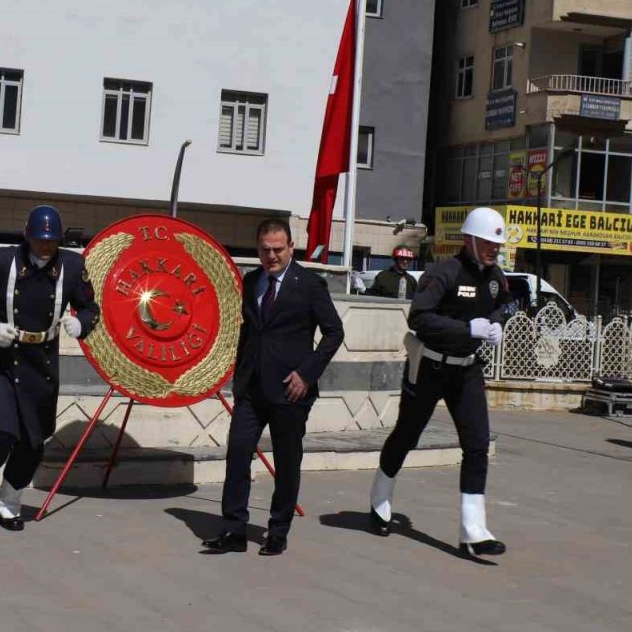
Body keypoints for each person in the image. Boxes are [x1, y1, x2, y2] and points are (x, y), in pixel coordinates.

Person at [369, 206, 510, 560]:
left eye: (497, 244)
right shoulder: (443, 273)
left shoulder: (497, 277)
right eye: (487, 242)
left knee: (477, 445)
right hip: (429, 367)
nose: (494, 249)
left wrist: (496, 325)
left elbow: (502, 305)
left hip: (467, 370)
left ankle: (472, 530)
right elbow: (419, 318)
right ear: (469, 239)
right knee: (407, 435)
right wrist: (467, 329)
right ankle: (380, 495)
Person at [202, 218, 344, 556]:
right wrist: (235, 374)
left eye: (278, 249)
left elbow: (334, 332)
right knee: (237, 453)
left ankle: (278, 531)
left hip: (291, 390)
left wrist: (306, 374)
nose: (272, 256)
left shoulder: (310, 284)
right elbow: (248, 332)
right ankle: (234, 529)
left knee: (286, 461)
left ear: (291, 247)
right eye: (265, 250)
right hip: (252, 389)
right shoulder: (251, 282)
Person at [0, 206, 100, 530]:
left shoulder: (73, 265)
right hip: (1, 359)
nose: (45, 247)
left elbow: (91, 307)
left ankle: (9, 505)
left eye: (51, 241)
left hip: (42, 361)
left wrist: (81, 323)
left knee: (31, 442)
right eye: (39, 241)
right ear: (27, 237)